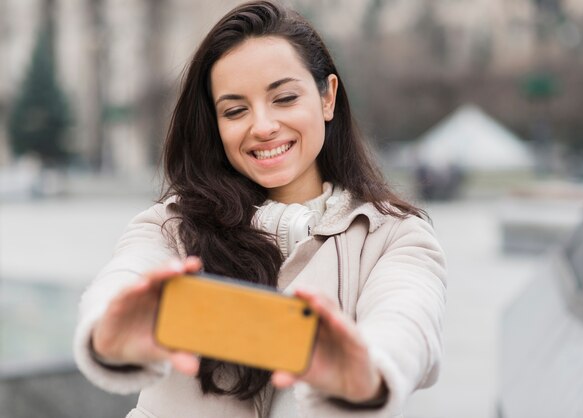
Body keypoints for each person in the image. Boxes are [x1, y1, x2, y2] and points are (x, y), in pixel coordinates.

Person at [73, 1, 447, 417]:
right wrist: (110, 329)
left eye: (284, 98)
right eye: (235, 110)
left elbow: (408, 318)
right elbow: (127, 274)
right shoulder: (171, 227)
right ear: (216, 124)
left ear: (328, 97)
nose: (263, 126)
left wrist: (367, 367)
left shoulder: (394, 236)